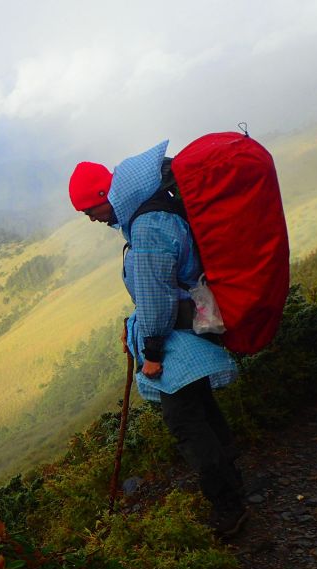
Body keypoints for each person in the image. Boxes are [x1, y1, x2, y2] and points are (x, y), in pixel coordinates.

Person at [69, 141, 247, 538]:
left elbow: (156, 298)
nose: (91, 219)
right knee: (201, 407)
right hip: (188, 324)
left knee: (184, 421)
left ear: (106, 196)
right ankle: (233, 484)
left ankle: (228, 507)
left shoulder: (148, 228)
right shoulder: (150, 212)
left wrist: (150, 352)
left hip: (177, 337)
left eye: (90, 210)